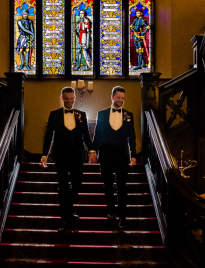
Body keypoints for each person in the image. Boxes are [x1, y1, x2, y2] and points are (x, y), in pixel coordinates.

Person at [41, 87, 97, 231]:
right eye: (67, 99)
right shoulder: (54, 115)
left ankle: (68, 207)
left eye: (72, 99)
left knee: (77, 184)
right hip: (60, 156)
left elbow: (86, 135)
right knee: (63, 187)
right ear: (62, 98)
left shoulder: (82, 115)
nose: (70, 101)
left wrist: (92, 150)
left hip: (78, 155)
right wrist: (44, 155)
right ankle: (65, 219)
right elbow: (49, 136)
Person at [93, 86, 137, 229]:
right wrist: (93, 151)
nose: (120, 100)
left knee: (122, 186)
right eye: (118, 98)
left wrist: (134, 155)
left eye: (123, 98)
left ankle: (122, 216)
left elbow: (132, 137)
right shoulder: (102, 114)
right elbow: (98, 134)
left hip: (122, 155)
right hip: (105, 154)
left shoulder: (129, 115)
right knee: (107, 184)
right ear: (112, 97)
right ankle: (111, 210)